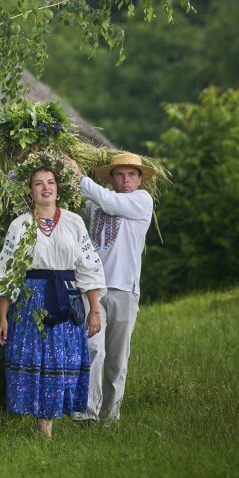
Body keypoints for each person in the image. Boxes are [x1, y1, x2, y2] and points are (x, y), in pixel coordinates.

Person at [0, 166, 106, 437]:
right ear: (31, 191)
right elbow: (8, 272)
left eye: (51, 182)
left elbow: (88, 267)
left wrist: (95, 310)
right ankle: (42, 428)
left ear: (58, 187)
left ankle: (48, 426)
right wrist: (3, 317)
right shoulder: (20, 225)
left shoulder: (74, 222)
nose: (46, 187)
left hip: (65, 297)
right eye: (39, 183)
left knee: (60, 359)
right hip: (30, 299)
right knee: (35, 358)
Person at [67, 153, 154, 423]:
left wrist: (79, 176)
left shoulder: (141, 201)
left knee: (117, 358)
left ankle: (110, 417)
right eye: (119, 174)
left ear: (140, 180)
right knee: (93, 348)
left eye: (131, 174)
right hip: (93, 288)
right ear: (111, 178)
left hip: (125, 289)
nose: (125, 180)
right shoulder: (95, 203)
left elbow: (110, 202)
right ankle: (87, 414)